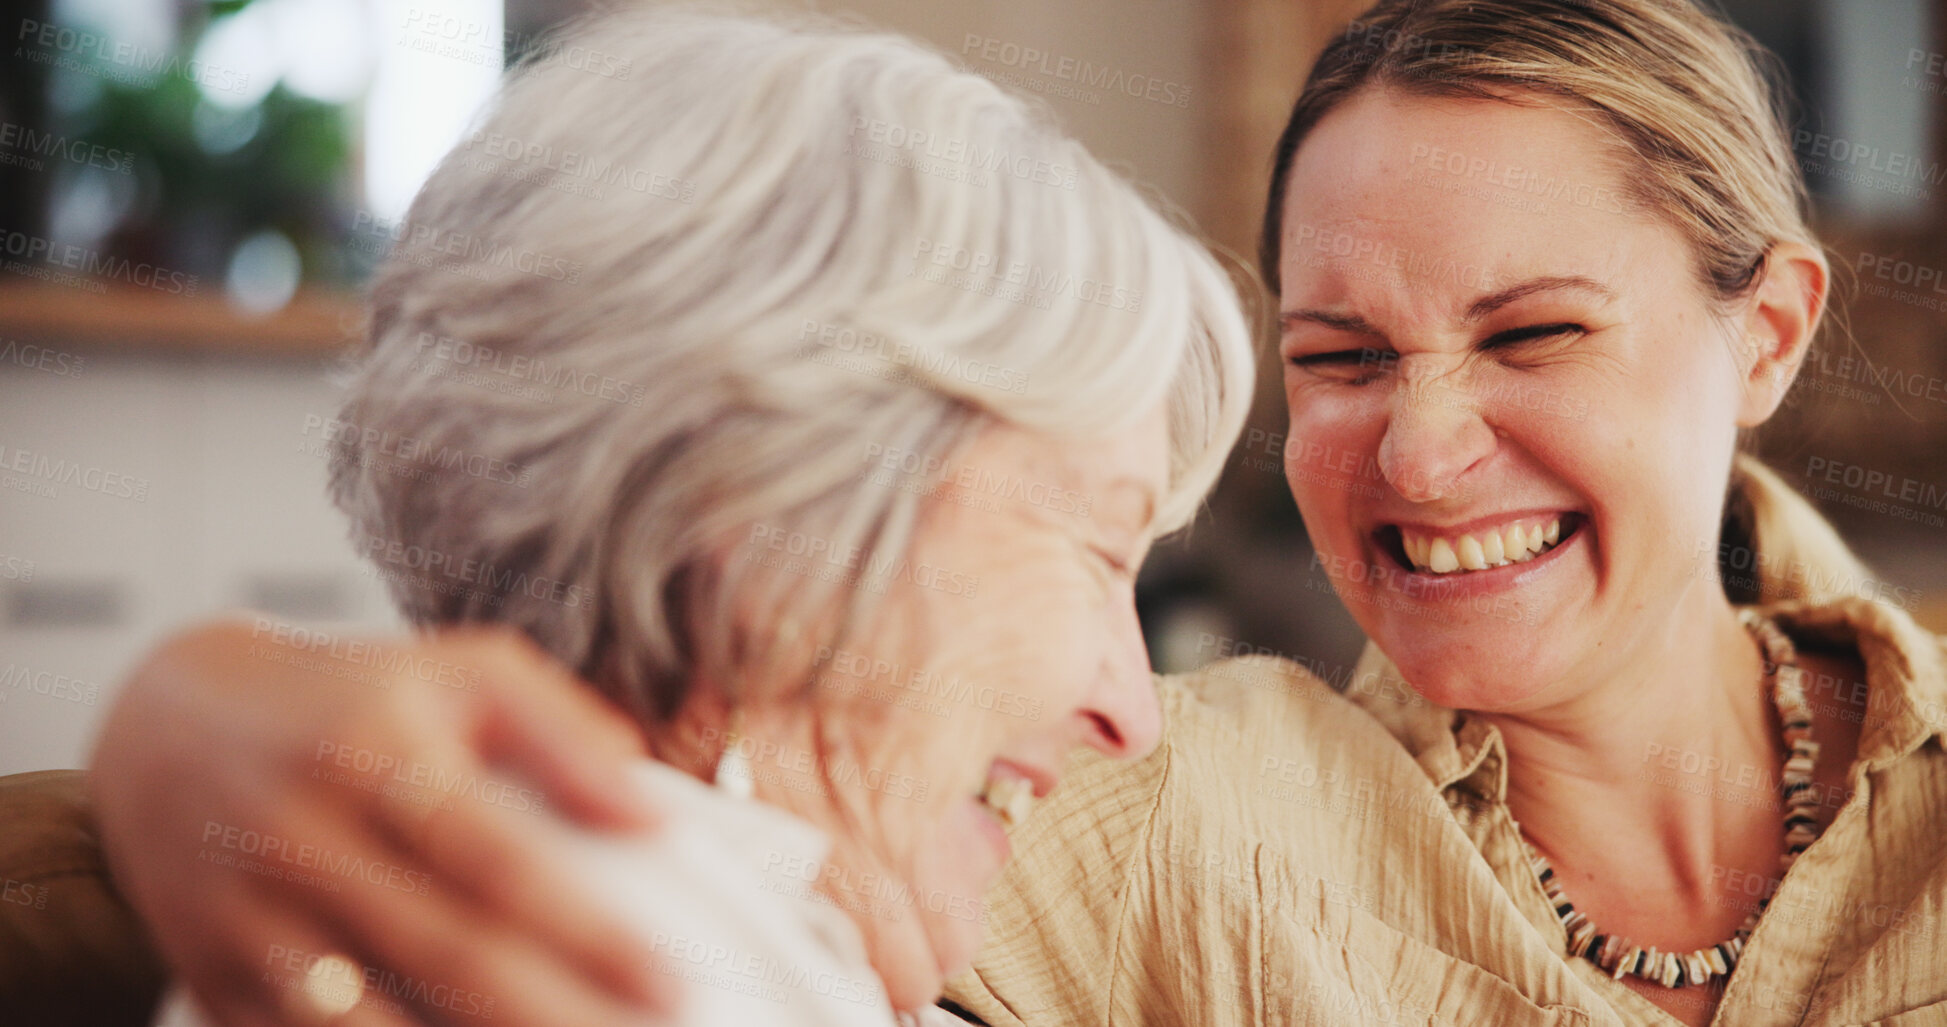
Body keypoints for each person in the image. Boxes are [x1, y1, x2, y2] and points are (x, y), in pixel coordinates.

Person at [7, 0, 1945, 1024]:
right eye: (1336, 357)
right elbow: (550, 776)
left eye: (1528, 332)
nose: (1420, 455)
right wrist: (203, 716)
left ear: (1763, 332)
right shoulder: (1163, 809)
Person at [3, 5, 1257, 1025]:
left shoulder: (719, 902)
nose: (1134, 713)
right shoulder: (621, 952)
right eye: (1098, 548)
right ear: (776, 514)